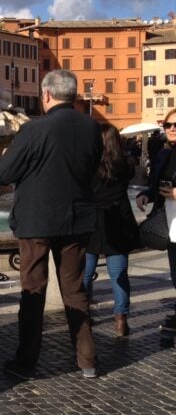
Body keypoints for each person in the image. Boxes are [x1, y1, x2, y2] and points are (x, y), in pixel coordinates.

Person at [0, 69, 101, 379]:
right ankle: (88, 360)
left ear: (47, 95)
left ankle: (26, 362)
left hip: (37, 221)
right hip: (77, 220)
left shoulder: (34, 129)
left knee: (33, 291)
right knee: (75, 289)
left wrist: (7, 156)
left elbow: (1, 174)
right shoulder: (91, 127)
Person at [83, 124, 139, 338]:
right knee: (119, 275)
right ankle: (120, 320)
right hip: (119, 221)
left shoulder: (88, 164)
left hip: (92, 222)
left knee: (85, 273)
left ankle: (84, 315)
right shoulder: (126, 164)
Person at [136, 108, 176, 333]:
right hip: (169, 220)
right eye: (168, 125)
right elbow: (155, 184)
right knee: (175, 272)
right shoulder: (164, 154)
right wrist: (146, 195)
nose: (172, 129)